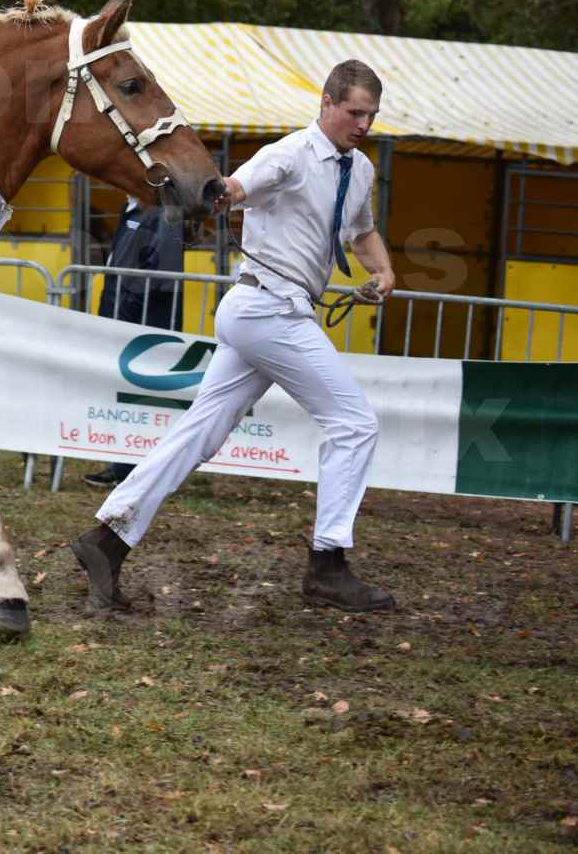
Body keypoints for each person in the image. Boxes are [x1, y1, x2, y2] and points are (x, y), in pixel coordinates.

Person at [71, 60, 397, 613]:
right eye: (353, 111)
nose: (362, 123)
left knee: (200, 432)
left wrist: (384, 272)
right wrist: (215, 195)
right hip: (269, 309)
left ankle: (107, 538)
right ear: (326, 103)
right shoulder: (290, 154)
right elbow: (238, 188)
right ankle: (328, 562)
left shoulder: (359, 170)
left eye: (370, 115)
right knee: (354, 422)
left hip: (269, 311)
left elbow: (362, 229)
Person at [83, 195, 185, 489]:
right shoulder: (132, 209)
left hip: (144, 323)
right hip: (121, 314)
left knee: (144, 395)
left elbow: (161, 272)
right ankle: (122, 465)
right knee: (123, 392)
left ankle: (136, 470)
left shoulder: (164, 212)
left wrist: (129, 305)